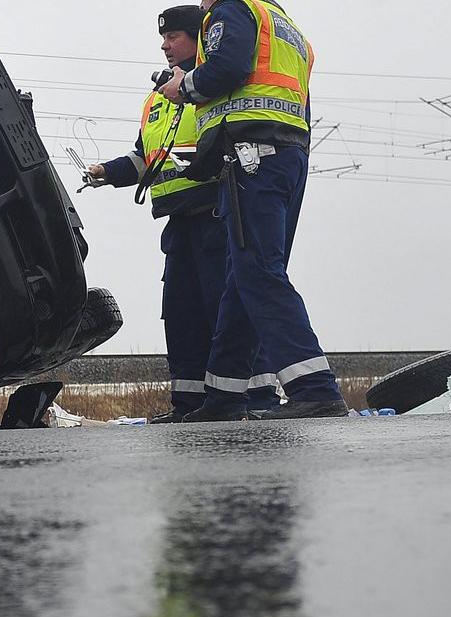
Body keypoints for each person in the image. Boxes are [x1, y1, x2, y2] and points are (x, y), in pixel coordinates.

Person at [87, 7, 278, 422]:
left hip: (217, 212)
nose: (164, 45)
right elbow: (146, 159)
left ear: (200, 38)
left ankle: (258, 401)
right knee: (182, 315)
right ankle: (190, 405)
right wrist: (107, 173)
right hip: (179, 224)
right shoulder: (157, 98)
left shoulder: (217, 83)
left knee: (226, 311)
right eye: (164, 37)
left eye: (173, 36)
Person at [159, 0, 349, 420]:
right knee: (242, 280)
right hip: (284, 156)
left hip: (252, 159)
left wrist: (184, 87)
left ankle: (314, 389)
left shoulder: (231, 11)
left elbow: (227, 68)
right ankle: (224, 396)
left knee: (259, 274)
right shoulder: (285, 25)